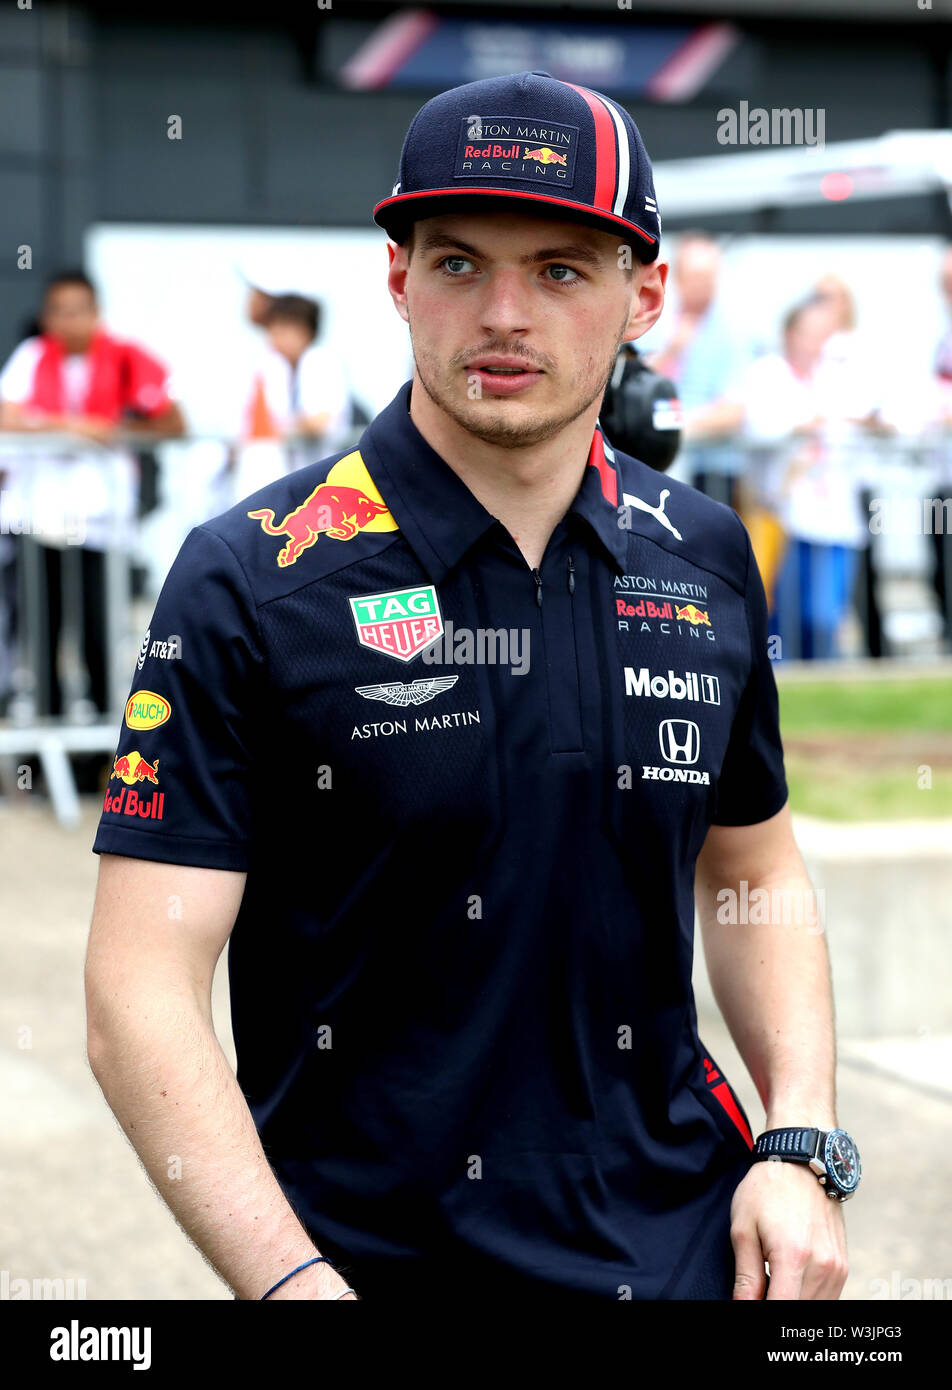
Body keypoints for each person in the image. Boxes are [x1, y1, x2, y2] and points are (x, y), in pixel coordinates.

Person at [85, 70, 856, 1304]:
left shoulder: (703, 556)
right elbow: (138, 993)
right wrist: (290, 1283)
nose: (503, 313)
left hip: (680, 1250)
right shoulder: (251, 577)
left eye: (559, 269)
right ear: (397, 279)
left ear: (642, 294)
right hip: (366, 1268)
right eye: (457, 264)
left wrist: (799, 1140)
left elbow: (752, 866)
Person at [0, 270, 184, 734]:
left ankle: (105, 752)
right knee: (42, 636)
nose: (70, 320)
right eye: (60, 311)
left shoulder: (125, 358)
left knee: (101, 637)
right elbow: (8, 416)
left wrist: (116, 433)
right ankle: (45, 753)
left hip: (103, 524)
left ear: (96, 313)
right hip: (39, 519)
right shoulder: (31, 357)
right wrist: (75, 428)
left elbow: (172, 421)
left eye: (79, 309)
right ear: (47, 317)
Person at [739, 298, 871, 660]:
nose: (815, 344)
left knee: (824, 615)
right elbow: (757, 427)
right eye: (809, 334)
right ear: (789, 334)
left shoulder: (839, 375)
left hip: (835, 517)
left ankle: (823, 684)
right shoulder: (766, 373)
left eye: (823, 335)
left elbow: (869, 415)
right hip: (783, 517)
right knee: (781, 614)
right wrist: (800, 426)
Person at [641, 231, 747, 508]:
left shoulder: (732, 332)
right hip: (656, 466)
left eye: (709, 276)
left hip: (711, 471)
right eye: (697, 276)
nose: (704, 285)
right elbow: (637, 386)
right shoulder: (652, 320)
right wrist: (672, 350)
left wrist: (673, 430)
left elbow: (734, 409)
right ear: (678, 278)